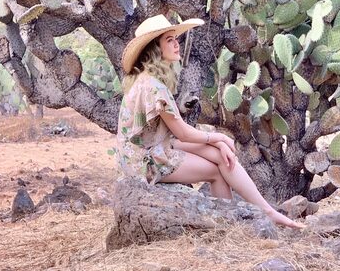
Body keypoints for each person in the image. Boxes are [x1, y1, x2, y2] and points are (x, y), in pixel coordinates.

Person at [116, 14, 300, 229]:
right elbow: (183, 133)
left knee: (218, 154)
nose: (177, 44)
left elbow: (170, 134)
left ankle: (266, 211)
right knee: (215, 171)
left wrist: (217, 143)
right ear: (154, 49)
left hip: (152, 148)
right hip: (143, 163)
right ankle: (229, 227)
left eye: (175, 38)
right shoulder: (154, 87)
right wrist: (219, 136)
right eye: (169, 40)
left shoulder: (146, 79)